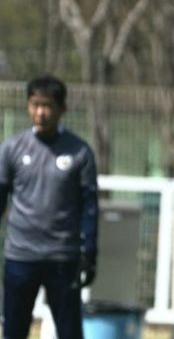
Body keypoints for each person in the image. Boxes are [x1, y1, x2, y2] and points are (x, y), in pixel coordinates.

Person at [0, 75, 99, 339]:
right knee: (14, 331)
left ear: (61, 109)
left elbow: (89, 205)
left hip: (62, 258)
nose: (40, 112)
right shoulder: (12, 148)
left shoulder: (79, 152)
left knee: (69, 333)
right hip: (21, 257)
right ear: (27, 106)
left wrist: (89, 250)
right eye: (34, 105)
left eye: (47, 106)